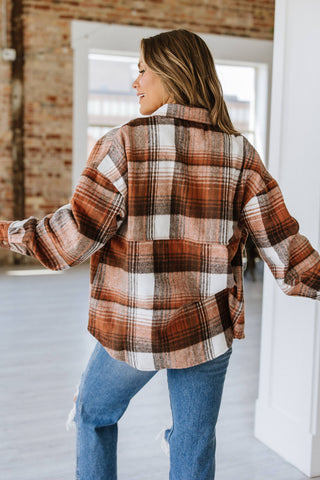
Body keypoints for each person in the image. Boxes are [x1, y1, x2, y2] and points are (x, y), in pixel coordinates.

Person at [0, 29, 319, 480]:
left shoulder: (122, 145)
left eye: (142, 70)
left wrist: (8, 232)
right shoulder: (240, 153)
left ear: (173, 74)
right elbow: (288, 256)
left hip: (136, 329)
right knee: (193, 443)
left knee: (93, 414)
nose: (135, 82)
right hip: (207, 331)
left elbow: (73, 238)